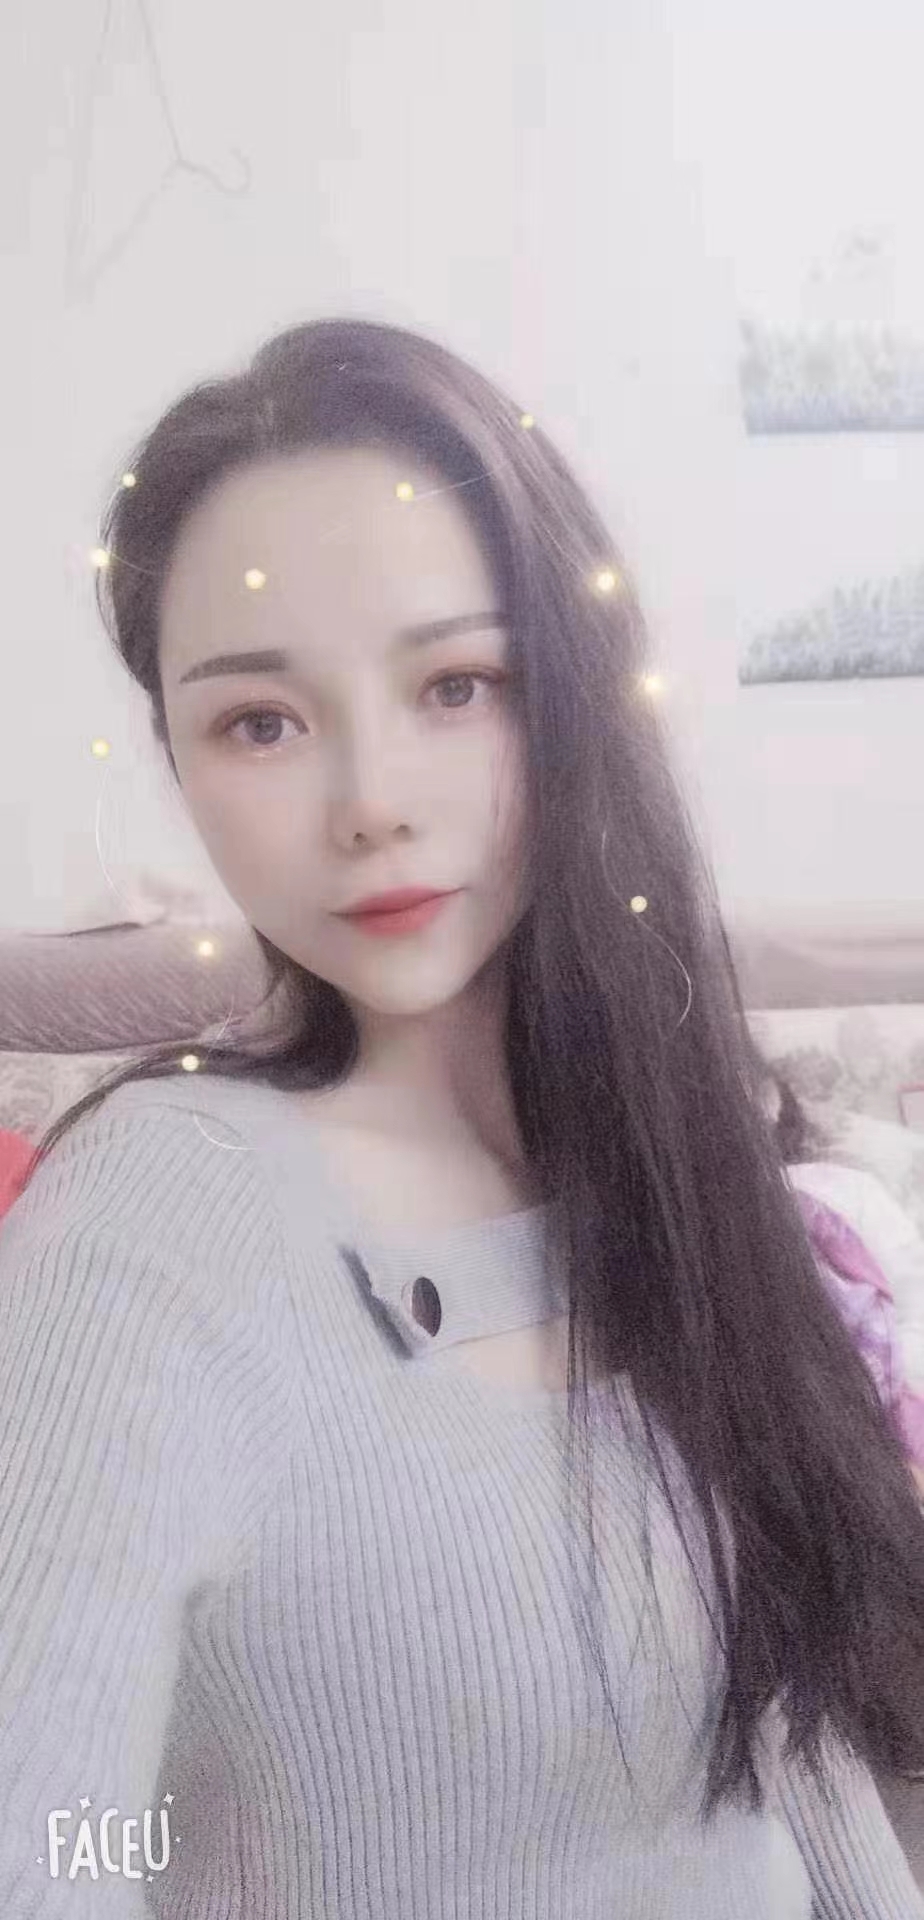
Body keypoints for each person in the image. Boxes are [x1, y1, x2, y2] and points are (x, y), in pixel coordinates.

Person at [1, 316, 923, 1919]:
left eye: (457, 685)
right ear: (179, 760)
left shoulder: (661, 1163)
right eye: (260, 721)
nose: (371, 801)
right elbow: (45, 1843)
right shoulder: (152, 1228)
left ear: (572, 696)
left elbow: (788, 1747)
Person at [760, 1061, 924, 1500]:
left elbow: (915, 1299)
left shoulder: (845, 1188)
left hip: (891, 1403)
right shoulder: (687, 1232)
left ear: (772, 1102)